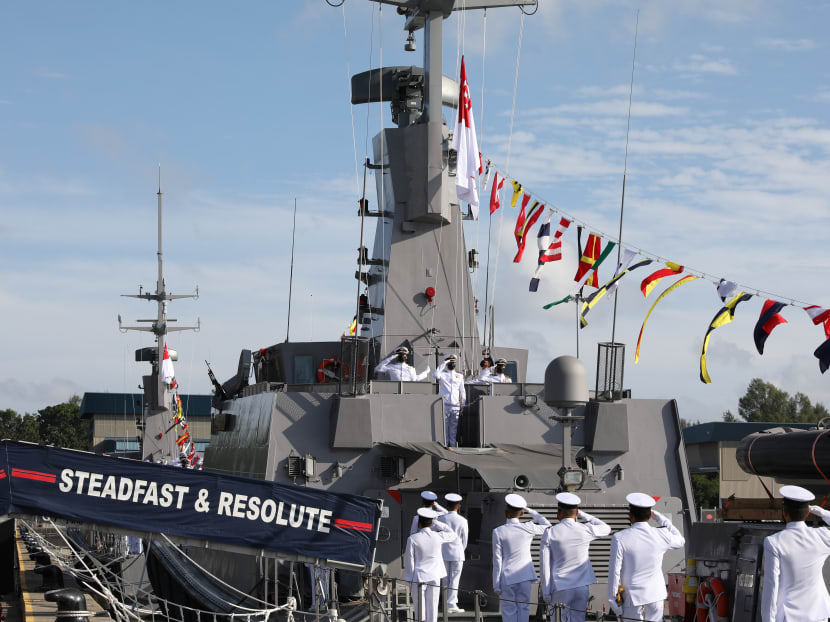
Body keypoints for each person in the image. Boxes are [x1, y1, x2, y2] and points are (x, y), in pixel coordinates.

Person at [607, 493, 685, 621]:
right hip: (656, 597)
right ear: (650, 516)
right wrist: (661, 519)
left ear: (630, 516)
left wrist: (613, 601)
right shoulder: (661, 534)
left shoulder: (620, 538)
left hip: (634, 600)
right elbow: (681, 540)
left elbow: (615, 571)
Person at [761, 484, 830, 622]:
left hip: (789, 617)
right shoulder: (822, 536)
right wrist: (822, 513)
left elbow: (771, 585)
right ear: (808, 513)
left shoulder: (774, 542)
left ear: (785, 513)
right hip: (818, 615)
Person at [540, 492, 610, 622]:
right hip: (581, 587)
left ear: (559, 511)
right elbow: (606, 528)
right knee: (578, 619)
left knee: (558, 619)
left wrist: (546, 591)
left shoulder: (550, 532)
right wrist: (583, 514)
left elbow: (545, 566)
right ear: (576, 512)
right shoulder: (585, 529)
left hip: (561, 587)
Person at [492, 493, 551, 622]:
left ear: (505, 512)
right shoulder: (528, 527)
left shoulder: (498, 531)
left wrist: (496, 583)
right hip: (525, 575)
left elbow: (497, 559)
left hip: (507, 577)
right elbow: (548, 526)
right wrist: (531, 511)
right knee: (524, 608)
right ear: (522, 514)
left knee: (508, 610)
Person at [405, 508, 458, 622]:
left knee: (420, 609)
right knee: (433, 607)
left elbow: (410, 562)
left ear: (419, 523)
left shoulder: (413, 539)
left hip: (419, 577)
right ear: (431, 522)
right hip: (435, 575)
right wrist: (437, 523)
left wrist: (409, 580)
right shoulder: (437, 536)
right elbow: (453, 535)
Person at [438, 493, 469, 613]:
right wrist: (461, 549)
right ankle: (451, 604)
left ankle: (445, 604)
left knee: (445, 579)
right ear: (459, 506)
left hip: (443, 552)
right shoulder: (463, 520)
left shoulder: (440, 519)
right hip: (457, 552)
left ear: (447, 505)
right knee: (455, 579)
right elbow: (465, 539)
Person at [433, 355, 466, 447]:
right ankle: (445, 444)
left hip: (455, 405)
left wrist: (463, 404)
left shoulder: (459, 376)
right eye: (450, 362)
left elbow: (462, 391)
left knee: (453, 427)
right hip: (444, 404)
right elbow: (435, 375)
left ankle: (452, 444)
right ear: (447, 363)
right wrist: (443, 363)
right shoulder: (442, 373)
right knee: (444, 426)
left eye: (453, 362)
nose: (452, 363)